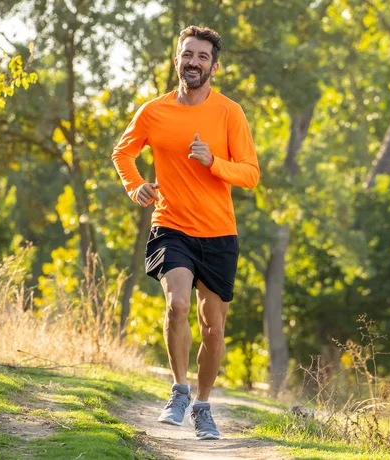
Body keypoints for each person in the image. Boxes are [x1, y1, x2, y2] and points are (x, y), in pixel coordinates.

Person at [112, 25, 259, 440]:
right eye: (187, 54)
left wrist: (214, 161)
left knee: (213, 326)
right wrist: (135, 183)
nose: (193, 62)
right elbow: (122, 152)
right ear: (176, 58)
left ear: (214, 65)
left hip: (218, 234)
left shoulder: (229, 112)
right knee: (176, 305)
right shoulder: (153, 111)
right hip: (171, 225)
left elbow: (250, 174)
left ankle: (203, 405)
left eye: (202, 56)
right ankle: (178, 390)